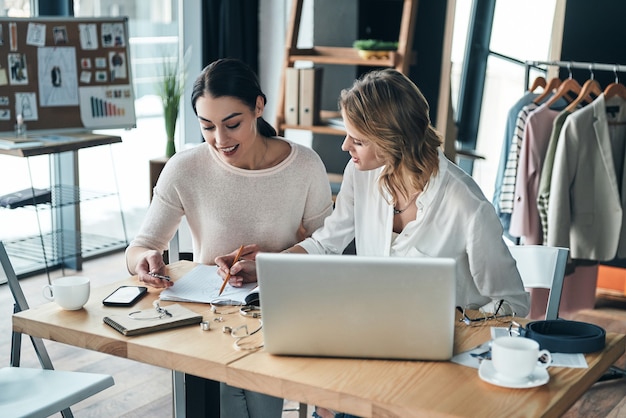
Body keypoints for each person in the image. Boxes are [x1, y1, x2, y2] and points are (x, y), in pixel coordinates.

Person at [217, 67, 531, 418]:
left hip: (442, 363)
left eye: (358, 140)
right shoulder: (360, 174)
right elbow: (326, 244)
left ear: (394, 141)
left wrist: (458, 325)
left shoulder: (467, 206)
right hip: (374, 345)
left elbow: (513, 304)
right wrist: (267, 265)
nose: (345, 146)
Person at [125, 58, 334, 418]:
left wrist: (269, 262)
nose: (219, 140)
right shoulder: (185, 168)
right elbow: (141, 246)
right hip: (206, 320)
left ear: (258, 106)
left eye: (232, 124)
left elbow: (328, 251)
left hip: (275, 314)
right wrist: (144, 260)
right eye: (207, 126)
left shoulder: (304, 166)